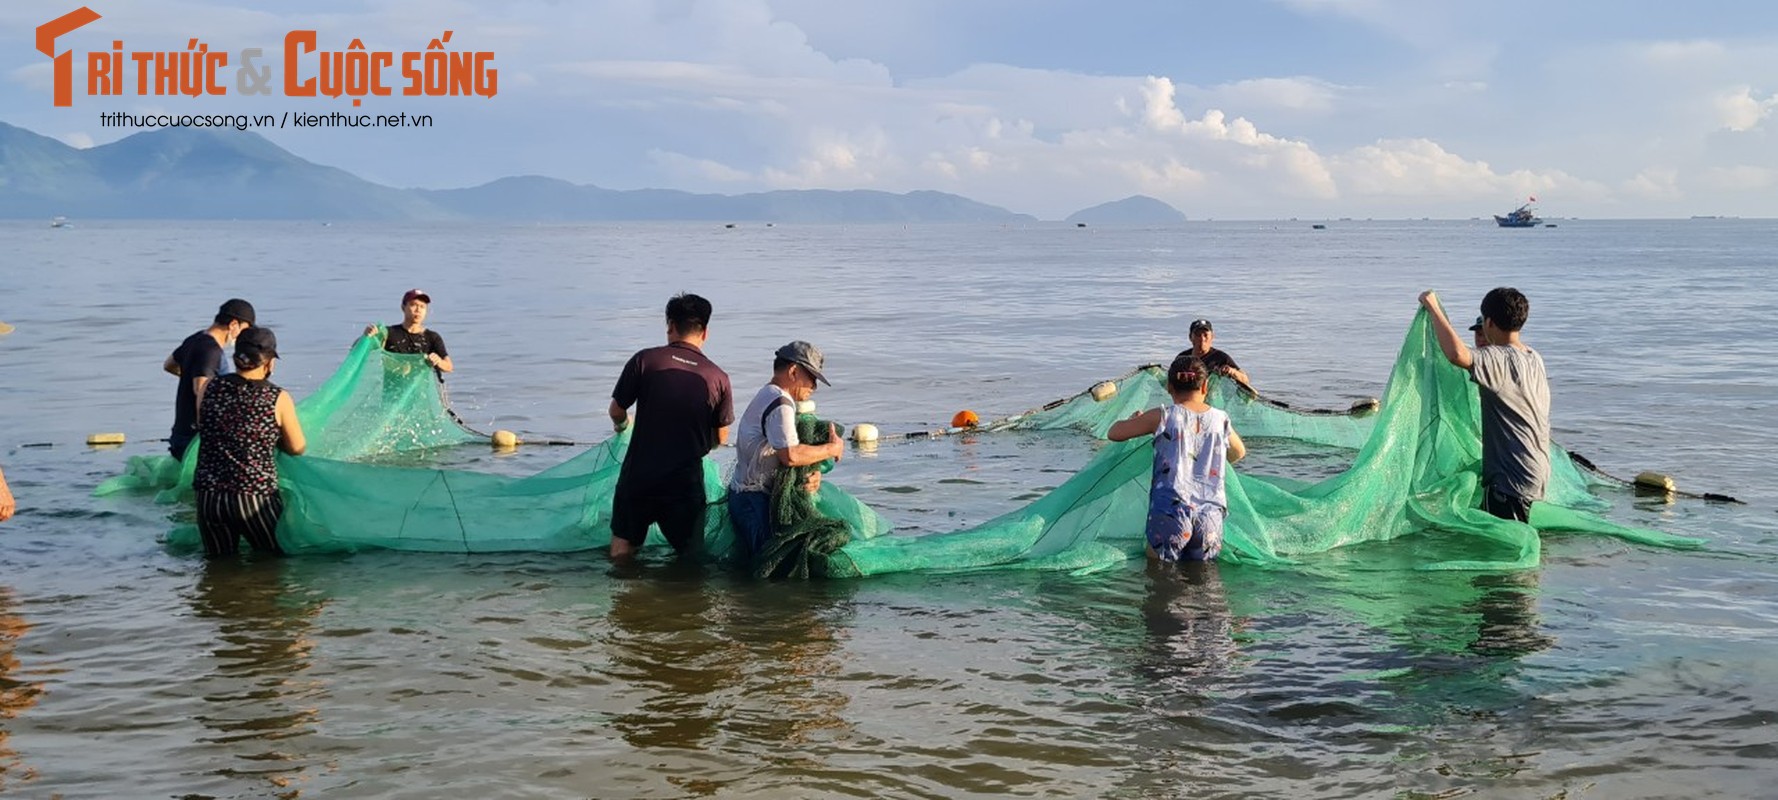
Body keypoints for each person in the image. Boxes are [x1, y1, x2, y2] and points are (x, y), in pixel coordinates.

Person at [607, 294, 735, 562]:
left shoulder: (645, 361)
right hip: (684, 483)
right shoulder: (718, 377)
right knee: (689, 559)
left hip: (639, 477)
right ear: (706, 332)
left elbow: (617, 411)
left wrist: (623, 427)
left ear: (670, 326)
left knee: (622, 551)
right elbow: (721, 438)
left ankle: (625, 599)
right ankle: (680, 601)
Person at [1419, 288, 1551, 522]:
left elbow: (1456, 354)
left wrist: (1433, 308)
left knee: (1505, 551)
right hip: (1536, 471)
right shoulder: (1533, 357)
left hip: (1511, 481)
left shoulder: (1497, 358)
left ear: (1488, 322)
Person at [1109, 353, 1247, 562]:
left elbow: (1115, 433)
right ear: (1204, 387)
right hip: (1210, 515)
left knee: (1159, 575)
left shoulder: (1163, 416)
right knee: (1205, 578)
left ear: (1169, 388)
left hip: (1170, 511)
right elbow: (1239, 453)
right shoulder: (1221, 419)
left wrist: (1134, 420)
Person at [193, 327, 307, 556]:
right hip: (254, 497)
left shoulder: (209, 387)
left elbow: (206, 426)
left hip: (209, 496)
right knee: (273, 563)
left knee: (218, 564)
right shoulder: (277, 398)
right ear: (269, 363)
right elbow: (297, 447)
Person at [728, 341, 844, 562]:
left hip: (745, 497)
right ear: (793, 371)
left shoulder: (769, 393)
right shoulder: (781, 403)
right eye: (811, 378)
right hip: (753, 501)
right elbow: (790, 455)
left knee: (758, 565)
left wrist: (813, 474)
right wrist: (831, 448)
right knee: (770, 569)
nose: (814, 387)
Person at [165, 298, 255, 458]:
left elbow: (169, 365)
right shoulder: (211, 351)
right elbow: (201, 390)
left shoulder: (195, 339)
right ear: (234, 324)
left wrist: (189, 375)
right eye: (244, 330)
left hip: (180, 432)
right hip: (194, 440)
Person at [363, 289, 452, 374]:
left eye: (422, 307)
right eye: (413, 305)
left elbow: (449, 367)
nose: (418, 310)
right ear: (403, 307)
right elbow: (358, 348)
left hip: (422, 389)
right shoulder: (388, 333)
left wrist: (438, 361)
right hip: (393, 388)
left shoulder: (432, 337)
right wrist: (367, 336)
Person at [1176, 318, 1253, 389]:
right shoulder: (1182, 358)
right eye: (1198, 335)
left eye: (1205, 335)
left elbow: (1245, 380)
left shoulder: (1221, 358)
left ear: (1212, 337)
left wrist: (1231, 371)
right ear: (1190, 337)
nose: (1202, 339)